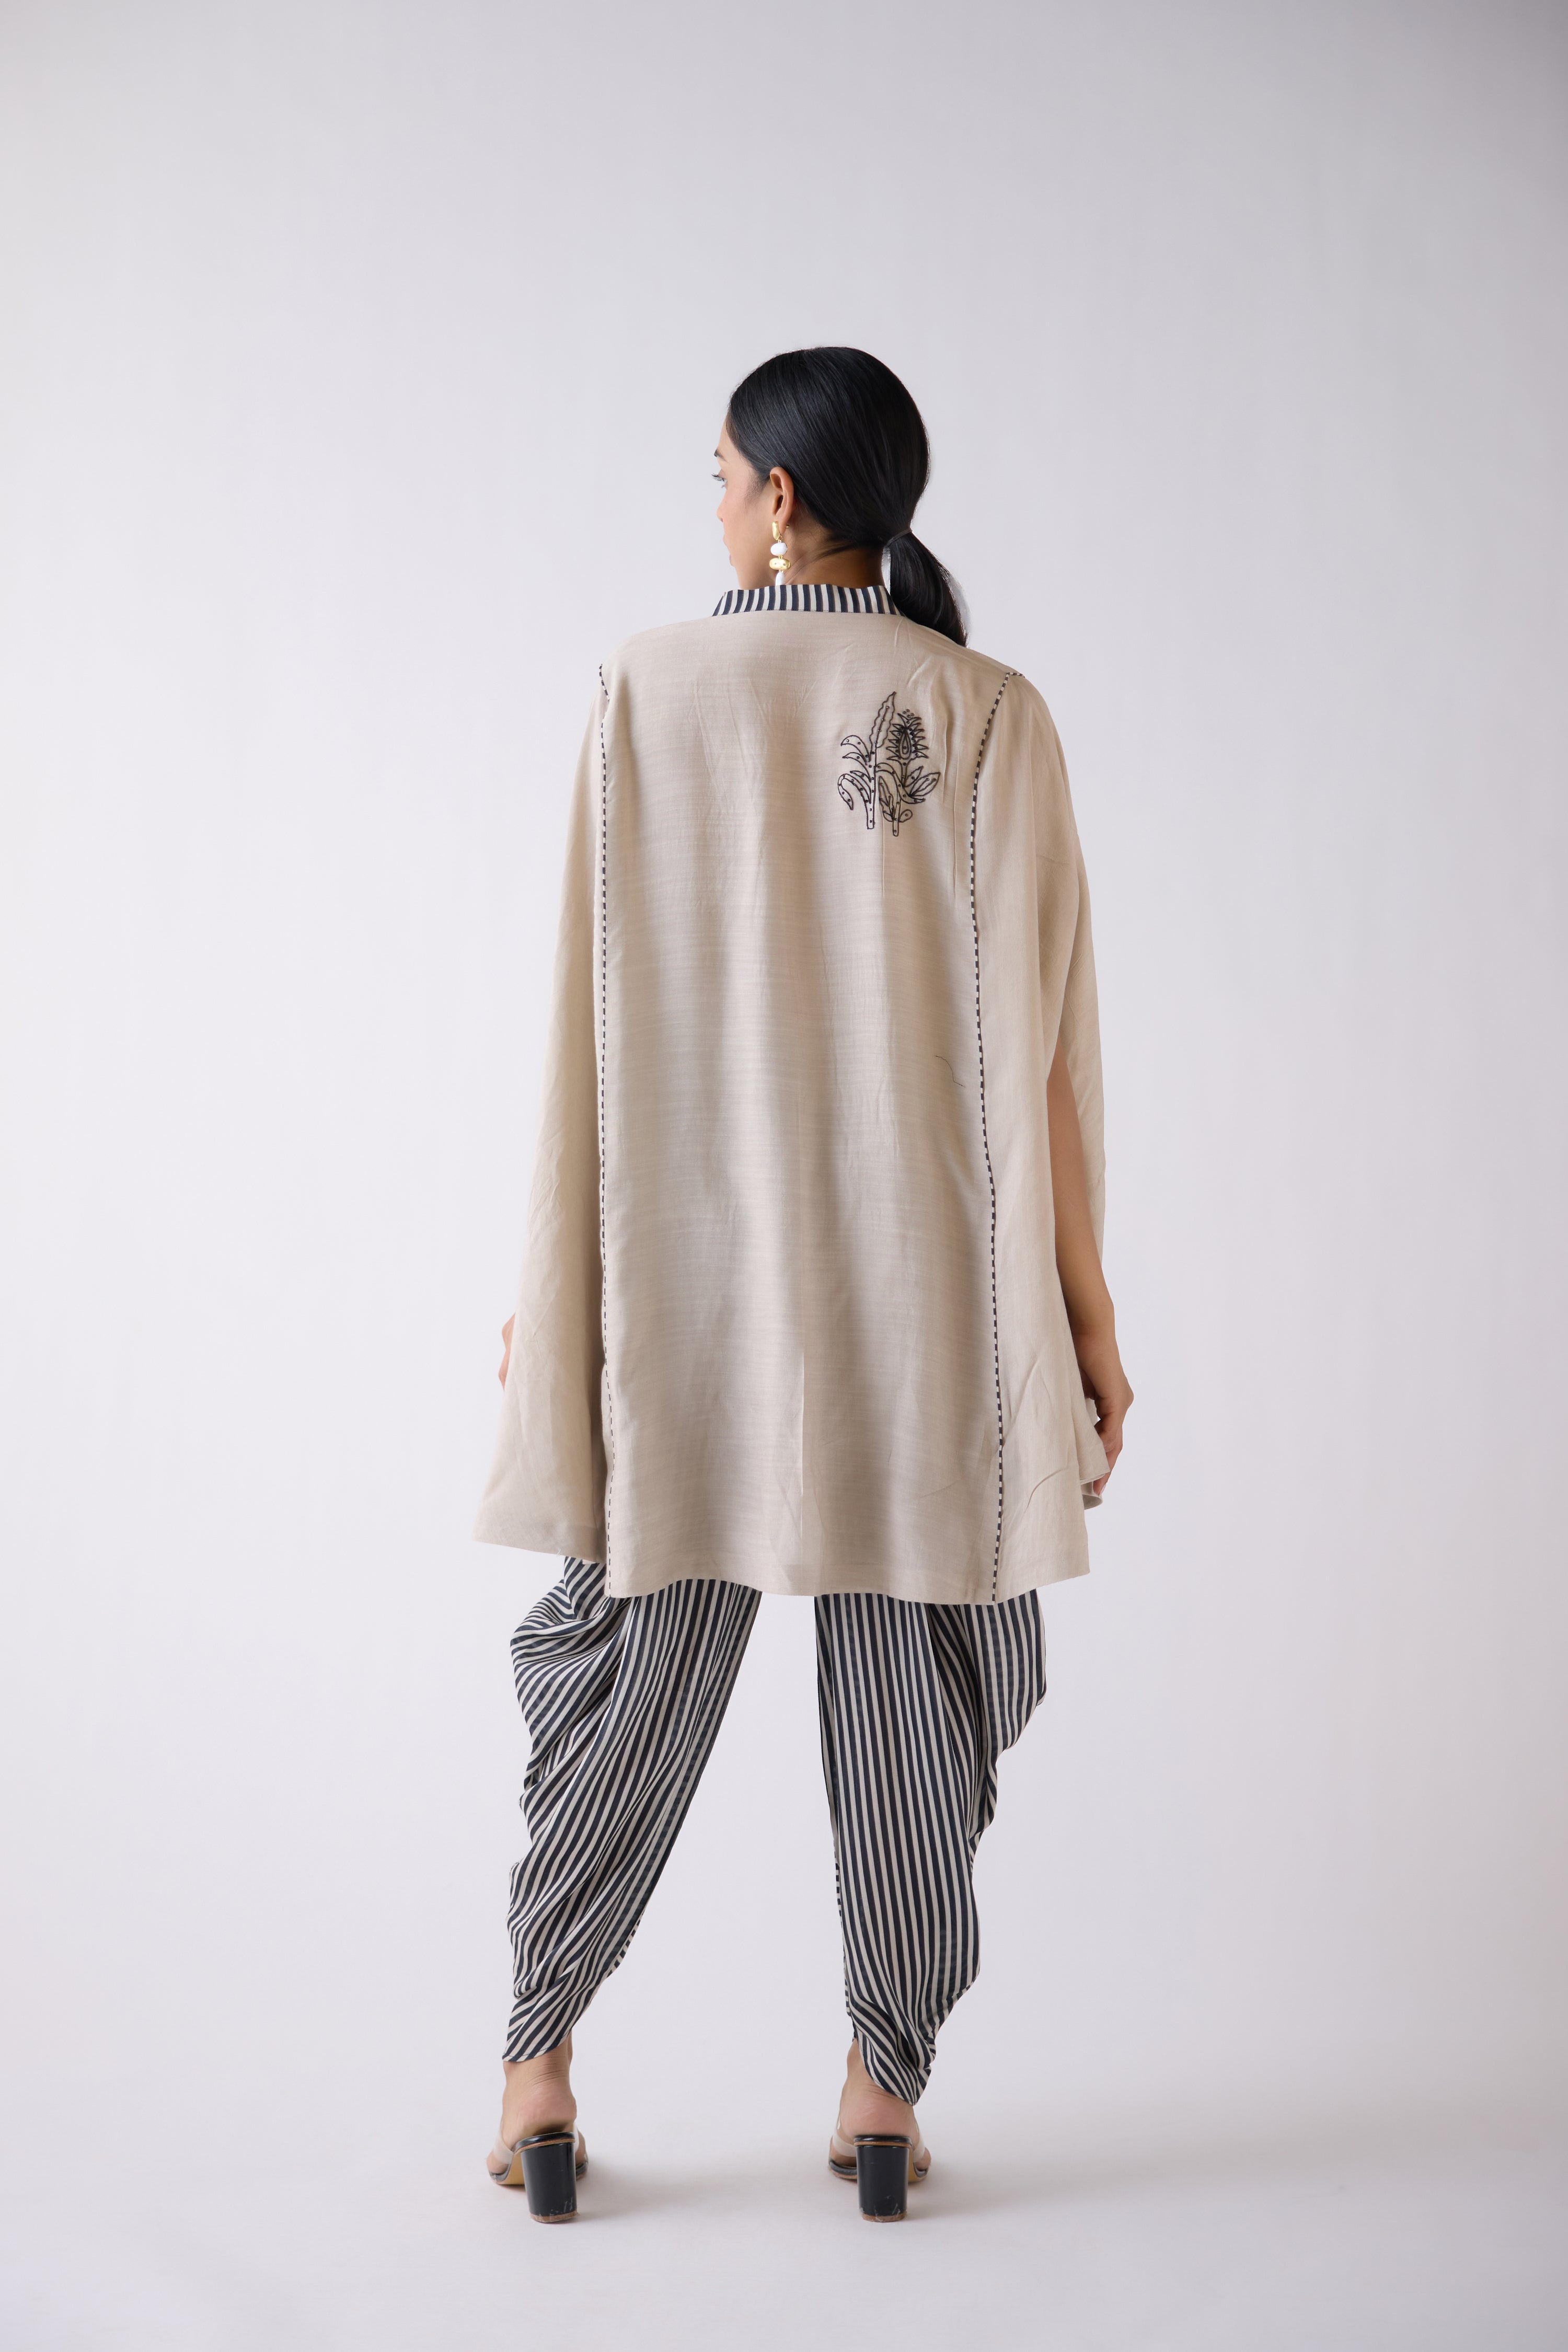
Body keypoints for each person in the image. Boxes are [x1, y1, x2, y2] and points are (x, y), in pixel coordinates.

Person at [474, 347, 1133, 2223]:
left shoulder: (642, 689)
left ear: (779, 497)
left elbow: (586, 1031)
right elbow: (1048, 1055)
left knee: (624, 1670)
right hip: (929, 1307)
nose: (712, 507)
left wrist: (556, 1289)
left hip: (682, 1294)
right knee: (924, 1688)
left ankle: (538, 2067)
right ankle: (880, 2091)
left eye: (718, 476)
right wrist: (1087, 1320)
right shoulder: (991, 713)